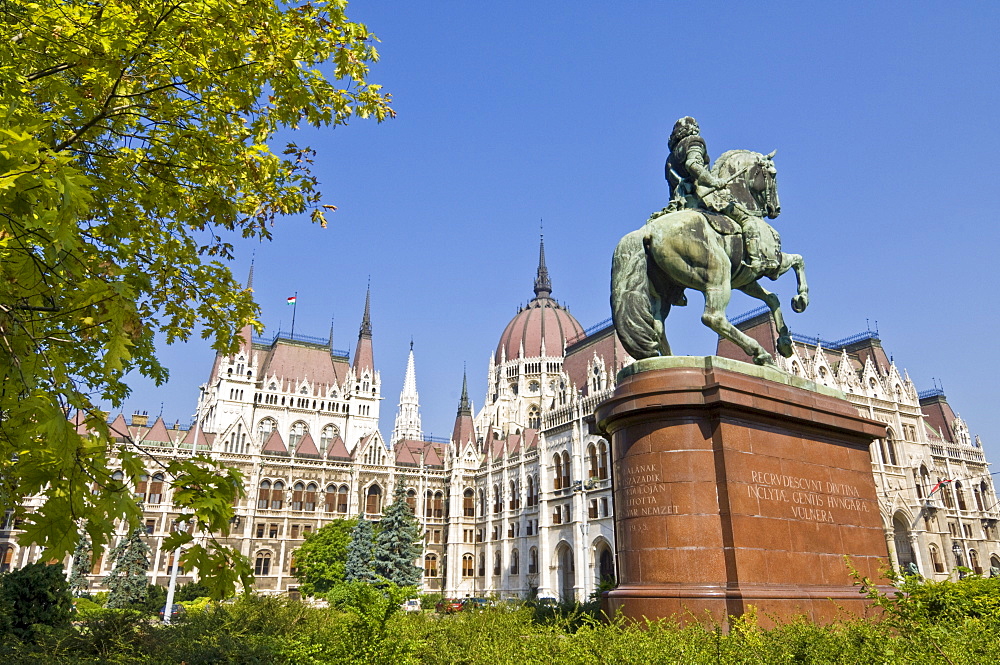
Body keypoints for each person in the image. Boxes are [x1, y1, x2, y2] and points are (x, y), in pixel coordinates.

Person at [664, 116, 776, 273]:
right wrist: (713, 182)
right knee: (747, 219)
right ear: (693, 128)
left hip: (680, 203)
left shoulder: (671, 158)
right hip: (702, 196)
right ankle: (756, 260)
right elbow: (693, 164)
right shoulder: (694, 142)